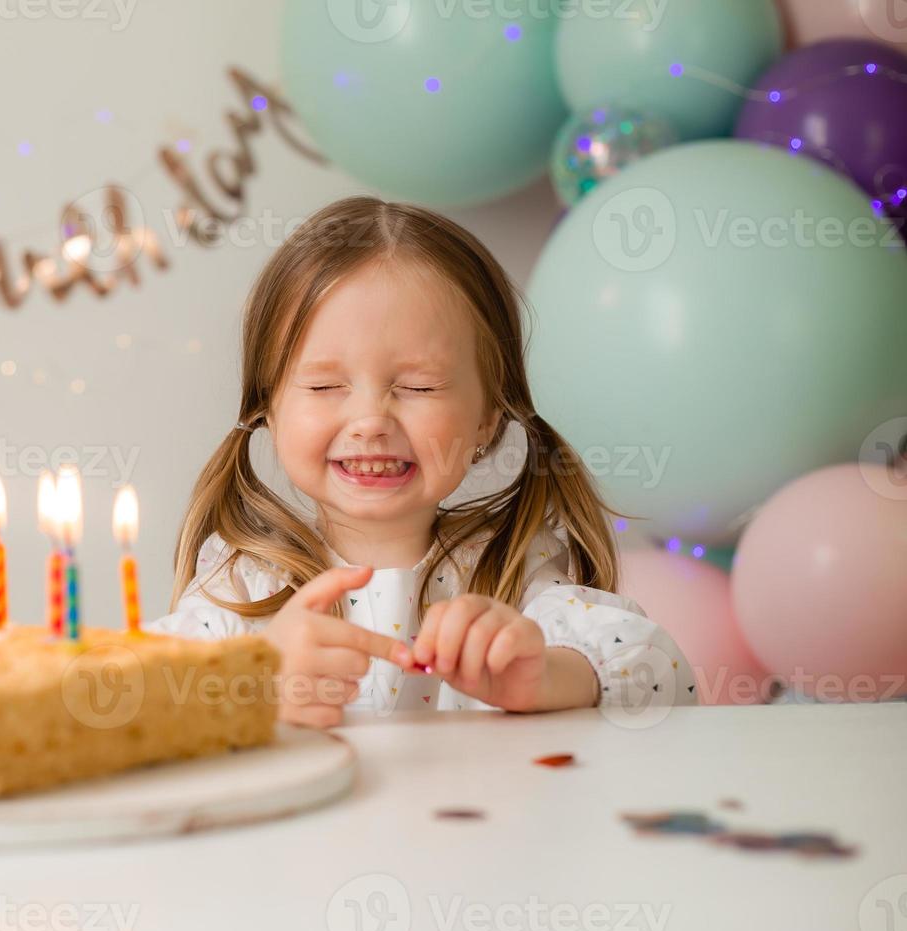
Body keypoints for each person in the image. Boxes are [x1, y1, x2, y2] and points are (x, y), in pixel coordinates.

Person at [144, 196, 697, 728]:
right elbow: (123, 701)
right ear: (268, 408)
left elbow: (664, 676)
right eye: (324, 384)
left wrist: (550, 676)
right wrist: (252, 680)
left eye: (419, 386)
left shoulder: (511, 573)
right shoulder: (242, 586)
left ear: (488, 417)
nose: (370, 420)